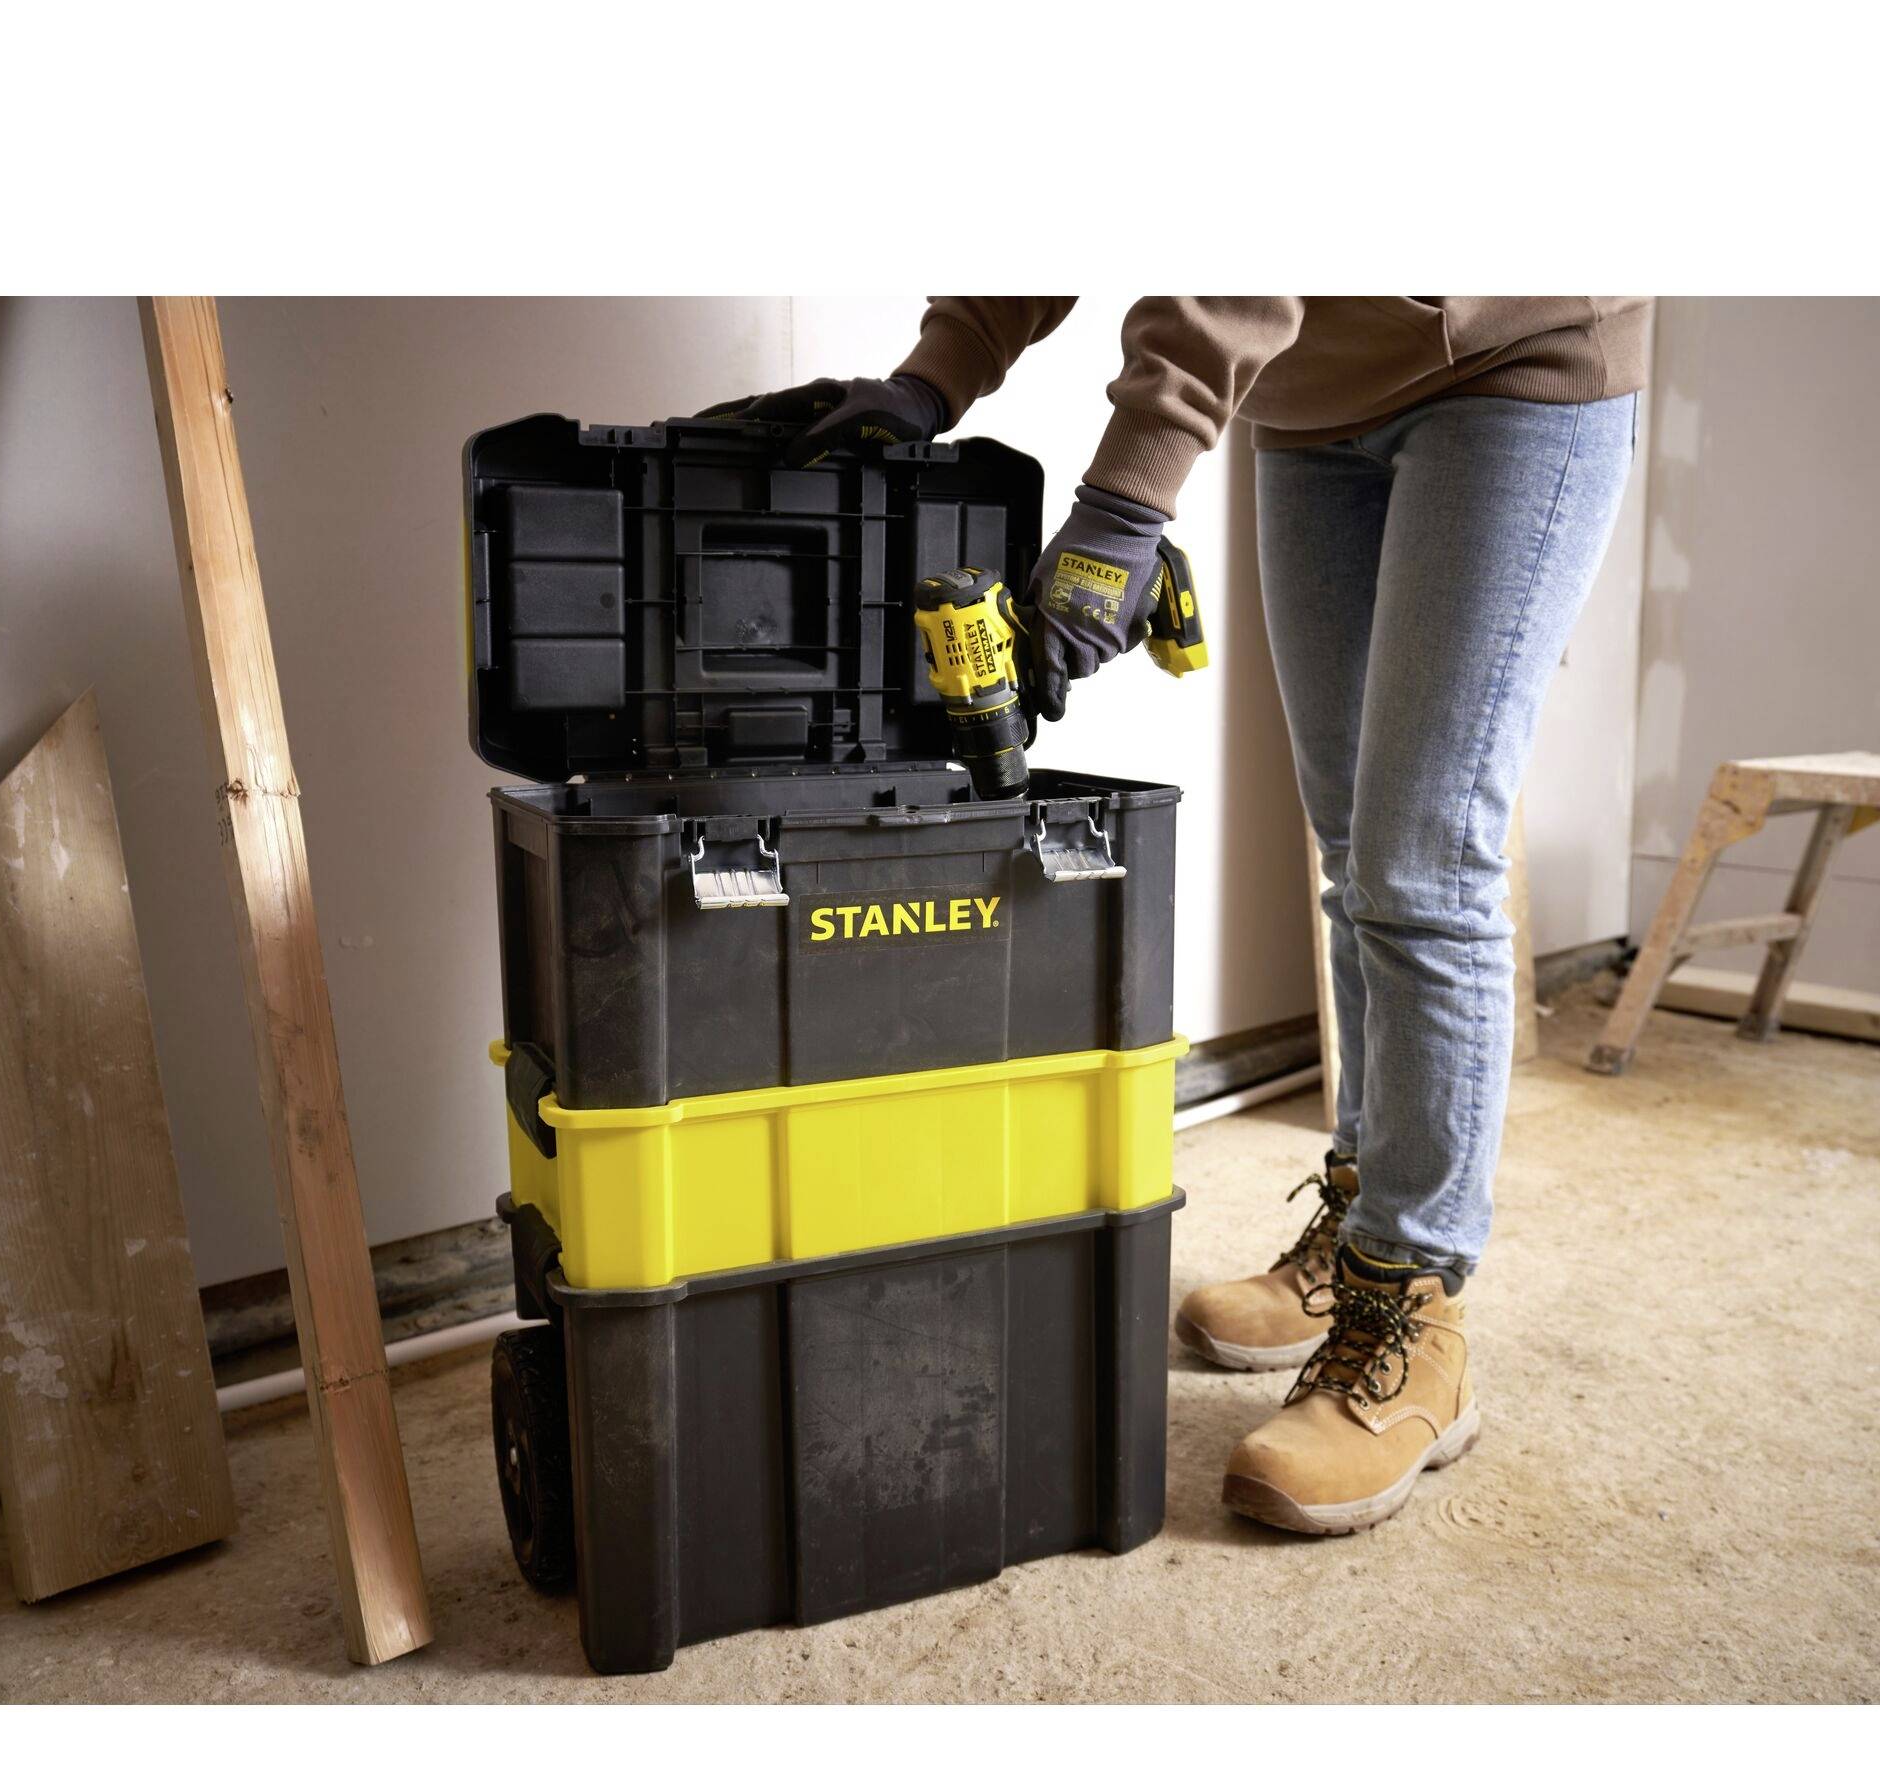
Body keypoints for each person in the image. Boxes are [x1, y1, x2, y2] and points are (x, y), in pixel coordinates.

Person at [704, 296, 1645, 1535]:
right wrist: (939, 376)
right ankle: (1357, 1234)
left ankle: (1411, 1313)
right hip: (1311, 399)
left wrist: (1118, 515)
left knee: (1423, 865)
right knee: (1358, 850)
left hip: (1512, 361)